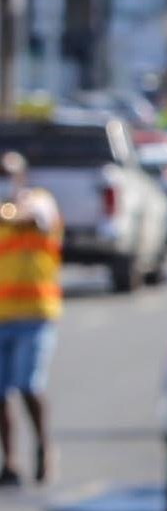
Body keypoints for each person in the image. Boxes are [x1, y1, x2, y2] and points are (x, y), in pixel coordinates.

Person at [0, 151, 63, 487]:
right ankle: (9, 461)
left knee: (28, 386)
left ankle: (43, 448)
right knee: (0, 394)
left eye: (6, 175)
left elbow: (34, 218)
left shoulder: (40, 202)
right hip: (1, 316)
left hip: (36, 314)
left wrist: (7, 210)